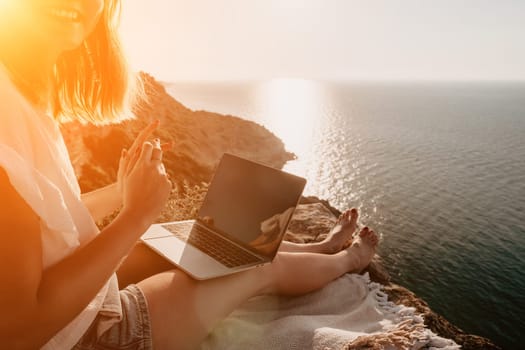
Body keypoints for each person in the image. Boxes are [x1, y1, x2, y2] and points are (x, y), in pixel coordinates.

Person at [0, 1, 379, 349]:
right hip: (85, 336)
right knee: (256, 265)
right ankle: (349, 260)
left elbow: (41, 219)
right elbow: (20, 329)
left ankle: (319, 249)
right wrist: (136, 216)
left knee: (214, 237)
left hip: (75, 302)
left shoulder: (21, 94)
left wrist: (120, 193)